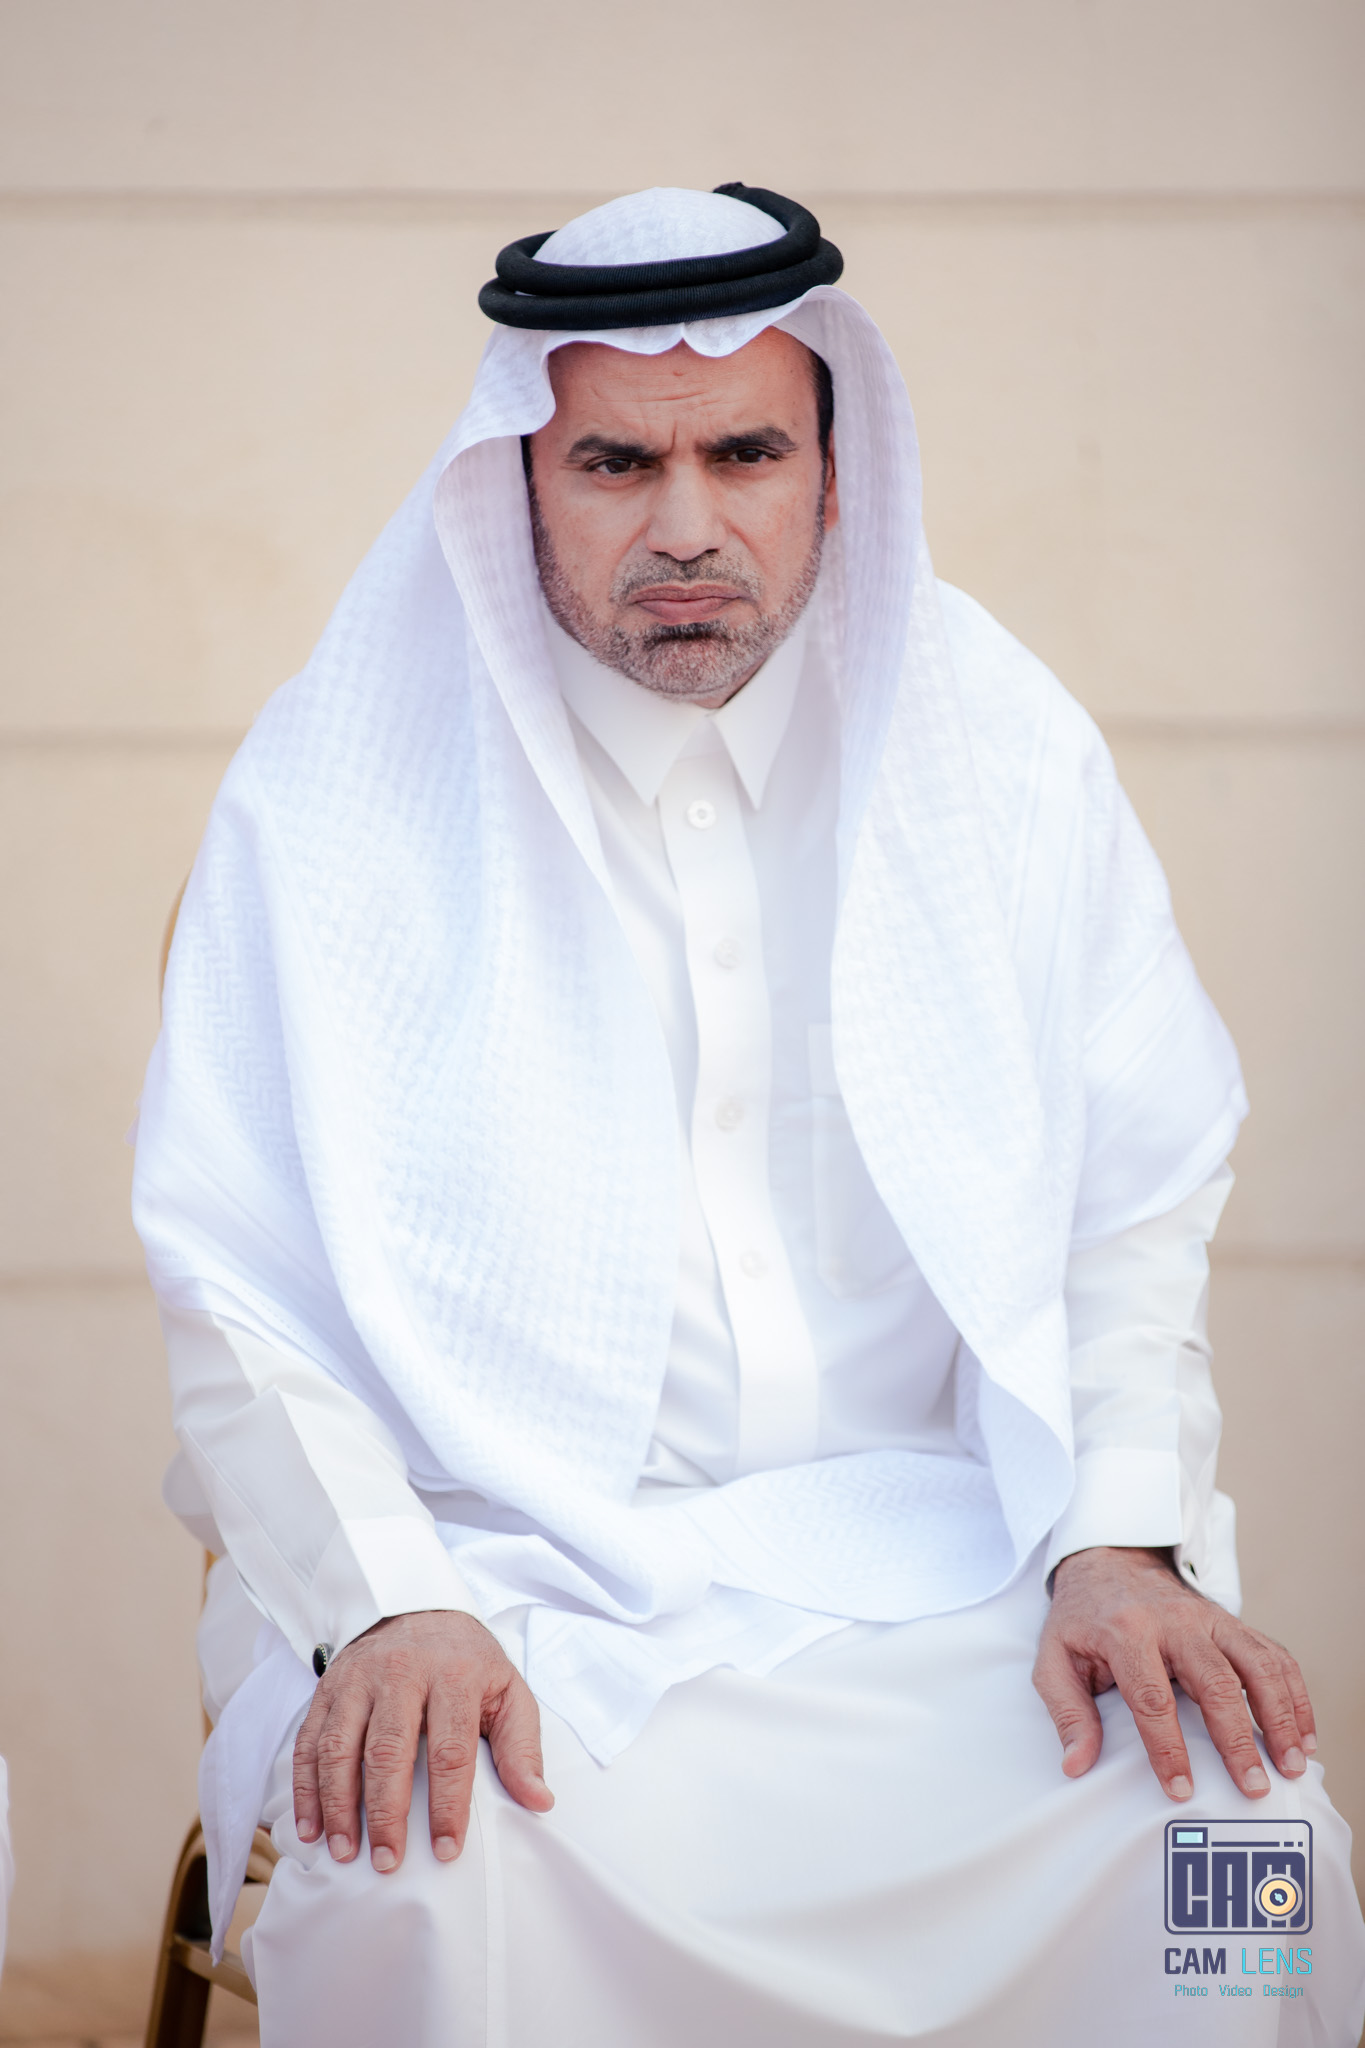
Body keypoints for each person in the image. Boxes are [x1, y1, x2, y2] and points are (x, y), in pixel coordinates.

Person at [134, 184, 1365, 2045]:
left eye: (745, 454)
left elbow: (1126, 1207)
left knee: (1240, 1845)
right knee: (421, 1873)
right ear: (515, 479)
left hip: (964, 1570)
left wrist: (1121, 1537)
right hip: (502, 1589)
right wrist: (382, 1607)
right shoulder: (332, 798)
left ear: (836, 474)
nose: (687, 526)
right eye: (616, 462)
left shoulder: (1002, 752)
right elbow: (238, 1288)